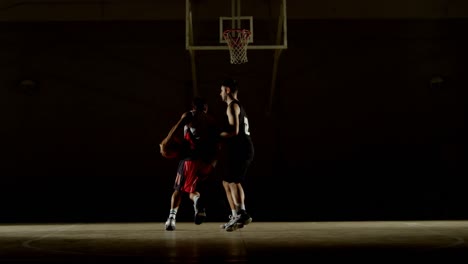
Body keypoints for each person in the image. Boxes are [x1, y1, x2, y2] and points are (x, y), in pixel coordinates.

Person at [160, 97, 219, 231]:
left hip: (190, 159)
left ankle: (171, 219)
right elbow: (218, 143)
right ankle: (197, 202)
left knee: (178, 189)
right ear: (206, 108)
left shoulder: (190, 115)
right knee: (192, 189)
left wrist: (165, 143)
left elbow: (176, 128)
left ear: (193, 107)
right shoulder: (212, 120)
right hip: (208, 162)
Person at [218, 78, 254, 232]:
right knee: (226, 182)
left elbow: (234, 131)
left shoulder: (232, 106)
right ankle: (235, 215)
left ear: (227, 90)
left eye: (221, 90)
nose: (219, 94)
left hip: (242, 148)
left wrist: (217, 135)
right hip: (239, 149)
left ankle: (242, 213)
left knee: (234, 181)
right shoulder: (235, 106)